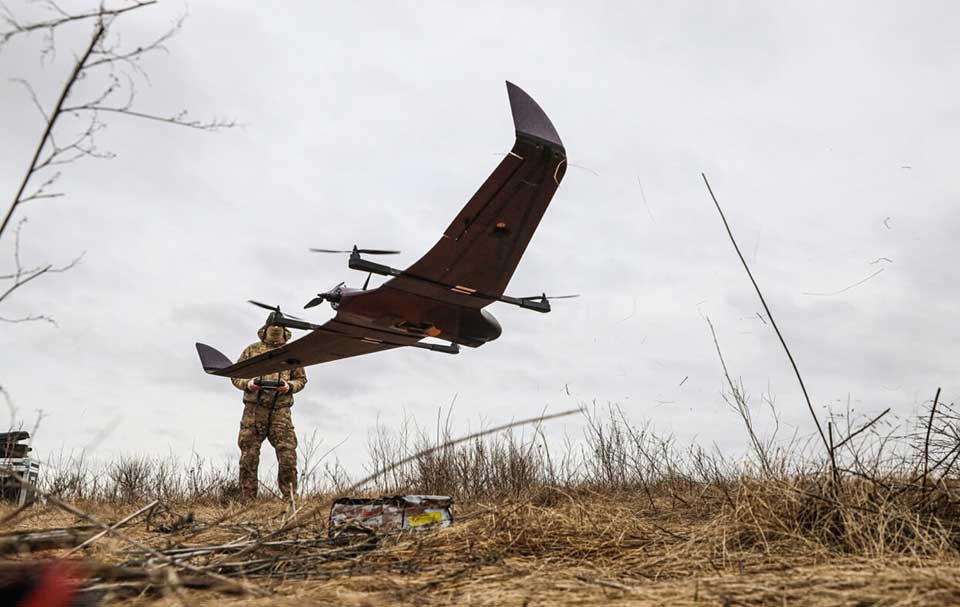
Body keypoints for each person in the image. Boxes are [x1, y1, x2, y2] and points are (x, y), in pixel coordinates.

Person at [230, 319, 307, 500]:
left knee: (288, 455)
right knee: (249, 455)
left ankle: (289, 498)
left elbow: (301, 380)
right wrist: (248, 384)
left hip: (281, 411)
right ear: (265, 330)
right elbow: (235, 375)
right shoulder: (251, 350)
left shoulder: (292, 352)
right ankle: (247, 500)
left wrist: (288, 386)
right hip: (254, 411)